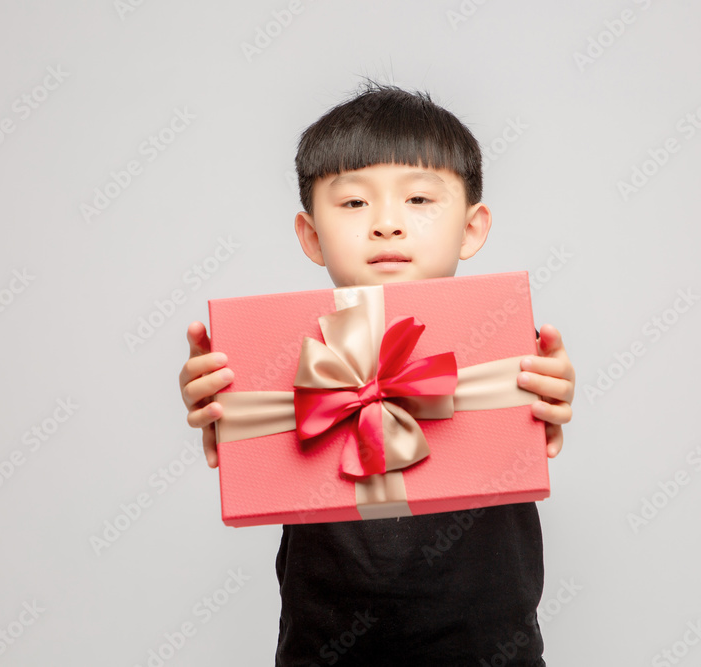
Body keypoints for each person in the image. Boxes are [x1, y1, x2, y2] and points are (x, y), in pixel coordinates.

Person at [178, 81, 575, 666]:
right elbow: (252, 437)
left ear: (472, 228)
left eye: (419, 200)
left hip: (490, 649)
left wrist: (552, 403)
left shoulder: (509, 343)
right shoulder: (273, 355)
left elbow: (536, 427)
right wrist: (218, 405)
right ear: (312, 234)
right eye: (354, 203)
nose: (387, 224)